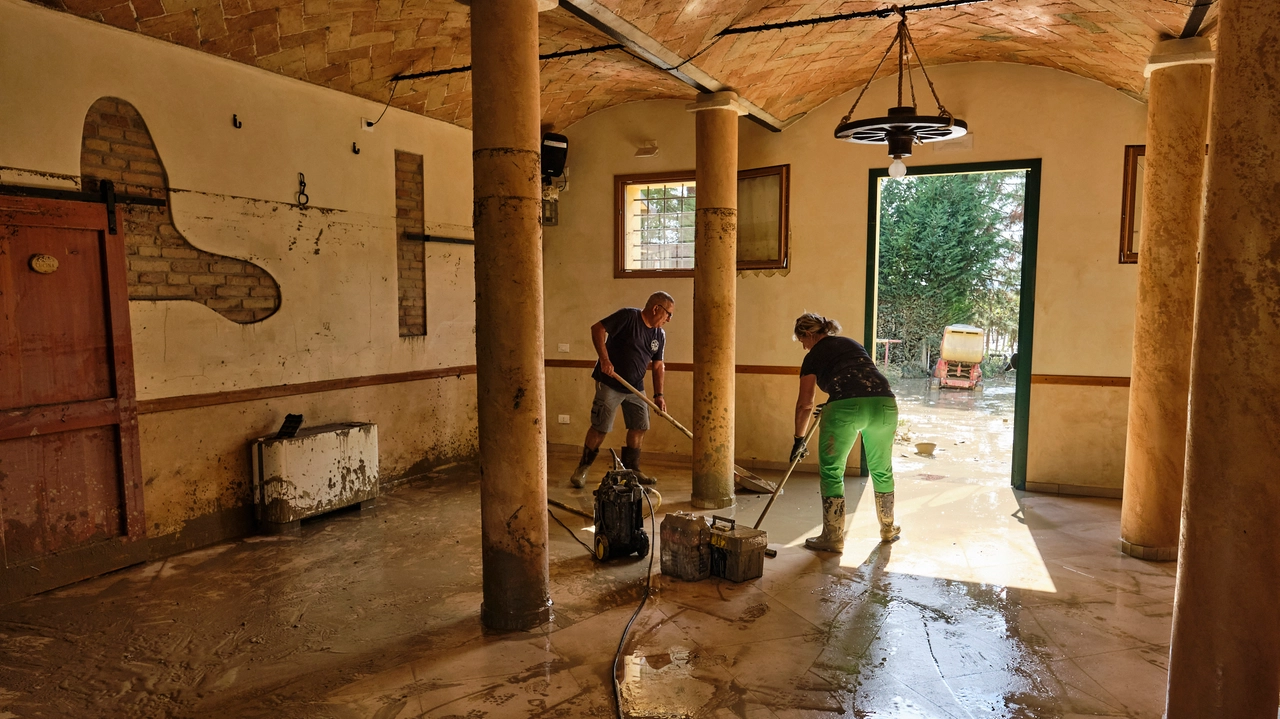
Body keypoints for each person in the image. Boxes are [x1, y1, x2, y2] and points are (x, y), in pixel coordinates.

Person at [790, 312, 900, 551]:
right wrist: (835, 400)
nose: (804, 347)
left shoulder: (813, 356)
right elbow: (860, 379)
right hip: (884, 405)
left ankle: (833, 537)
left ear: (809, 334)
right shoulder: (851, 343)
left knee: (831, 470)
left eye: (803, 341)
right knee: (882, 469)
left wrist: (799, 439)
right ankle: (889, 528)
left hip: (845, 409)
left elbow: (805, 404)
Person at [568, 292, 675, 488]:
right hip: (610, 383)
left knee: (639, 425)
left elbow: (658, 366)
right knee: (601, 427)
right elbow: (597, 329)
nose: (669, 319)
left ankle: (632, 470)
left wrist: (659, 395)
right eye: (669, 314)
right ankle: (582, 468)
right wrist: (605, 360)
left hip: (635, 388)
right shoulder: (628, 317)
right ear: (656, 309)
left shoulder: (659, 335)